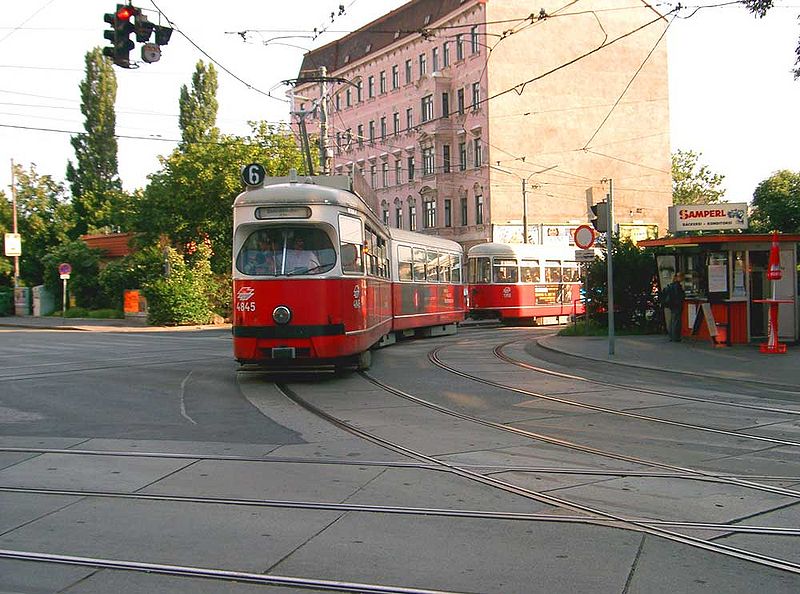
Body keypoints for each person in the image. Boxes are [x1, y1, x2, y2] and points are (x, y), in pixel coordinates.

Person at [662, 272, 685, 342]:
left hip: (672, 305)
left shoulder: (672, 285)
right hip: (677, 305)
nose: (682, 278)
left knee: (673, 320)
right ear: (678, 277)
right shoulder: (677, 286)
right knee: (676, 321)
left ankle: (672, 336)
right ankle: (676, 337)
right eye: (681, 277)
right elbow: (678, 296)